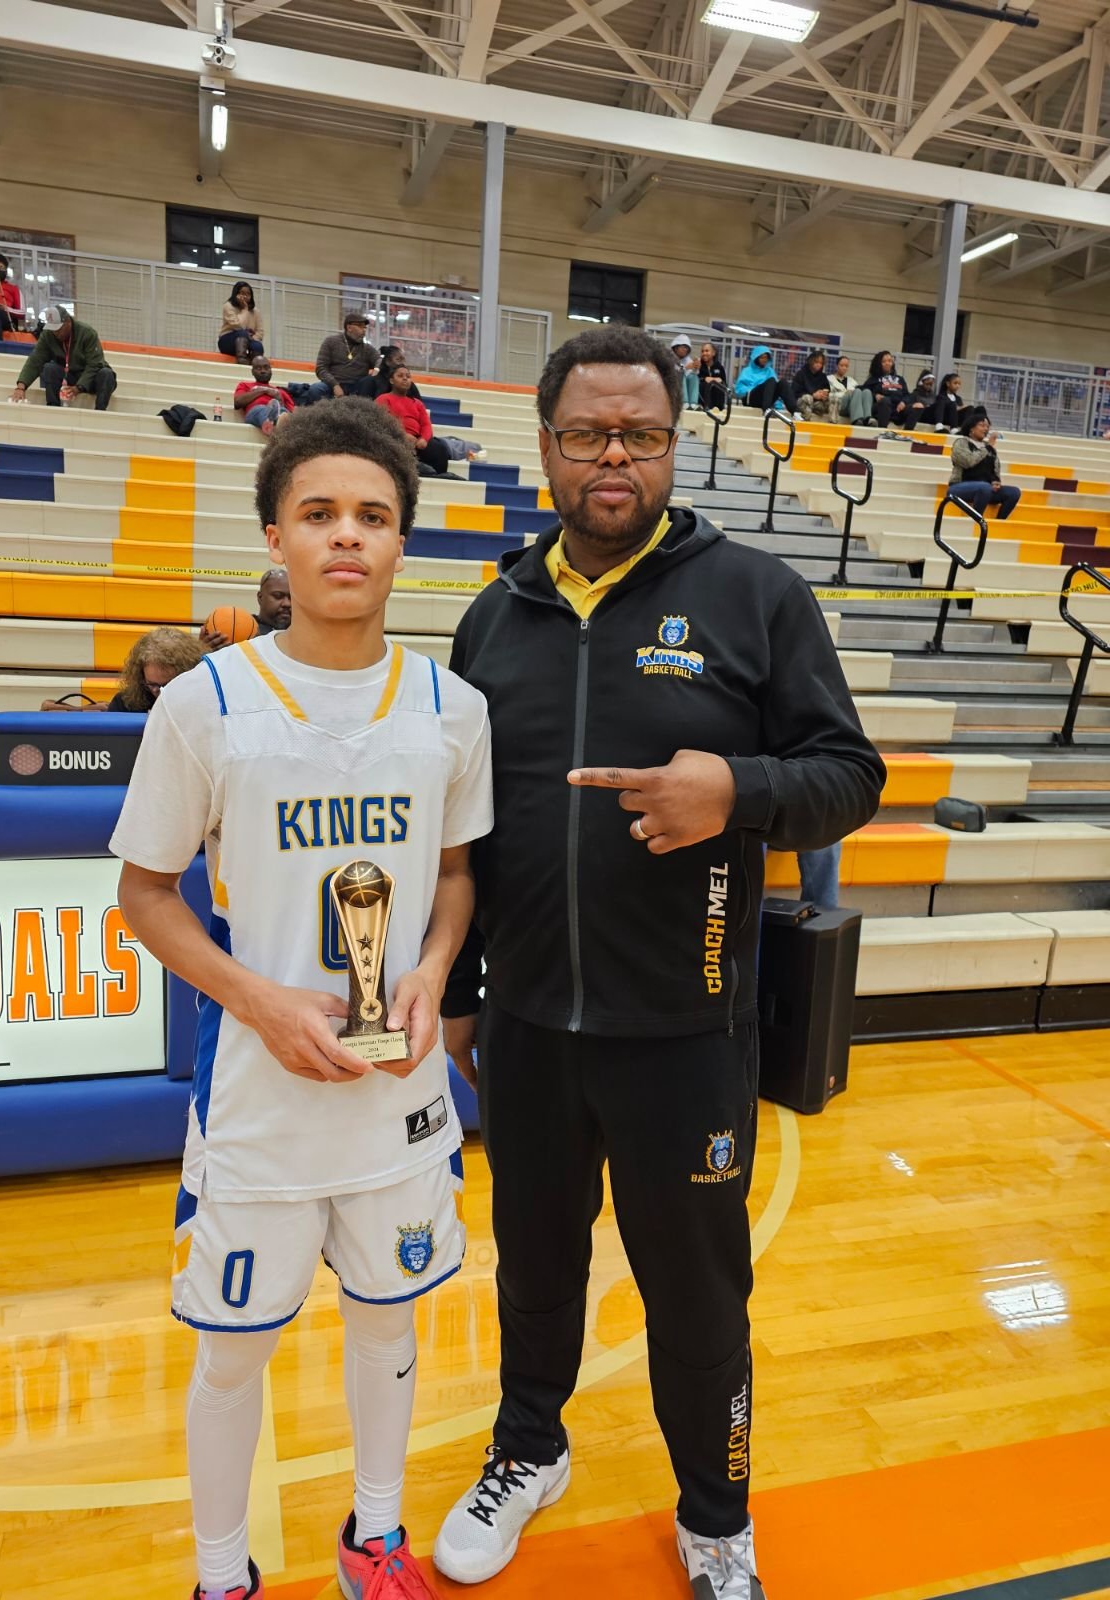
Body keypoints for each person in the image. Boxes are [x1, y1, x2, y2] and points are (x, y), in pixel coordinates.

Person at [432, 326, 885, 1599]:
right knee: (533, 1267)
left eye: (639, 433)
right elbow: (469, 834)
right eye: (588, 435)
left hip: (687, 1035)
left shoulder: (756, 596)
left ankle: (716, 1515)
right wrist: (466, 995)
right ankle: (530, 1448)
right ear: (547, 450)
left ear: (675, 445)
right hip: (526, 1027)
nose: (613, 457)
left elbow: (850, 774)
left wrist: (733, 789)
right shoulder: (494, 615)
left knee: (698, 1298)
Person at [111, 398, 493, 1600]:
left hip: (398, 1095)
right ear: (274, 535)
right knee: (232, 1350)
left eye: (373, 517)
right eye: (319, 513)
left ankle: (373, 1540)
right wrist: (260, 1001)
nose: (347, 537)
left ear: (401, 542)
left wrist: (430, 974)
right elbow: (147, 894)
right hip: (264, 1099)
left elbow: (454, 877)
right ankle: (221, 1574)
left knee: (391, 1326)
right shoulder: (206, 702)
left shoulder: (452, 707)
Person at [39, 626, 203, 712]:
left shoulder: (203, 700)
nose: (159, 692)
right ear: (141, 677)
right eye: (152, 685)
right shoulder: (125, 703)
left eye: (167, 685)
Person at [10, 305, 118, 410]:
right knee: (49, 368)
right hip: (70, 375)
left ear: (68, 322)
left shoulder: (87, 333)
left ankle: (100, 411)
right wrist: (21, 387)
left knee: (106, 374)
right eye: (53, 329)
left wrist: (79, 387)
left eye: (59, 329)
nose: (56, 333)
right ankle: (53, 407)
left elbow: (94, 364)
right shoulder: (48, 334)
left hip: (91, 377)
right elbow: (35, 360)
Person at [376, 364, 452, 476]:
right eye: (400, 376)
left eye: (408, 376)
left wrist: (424, 439)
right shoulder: (383, 399)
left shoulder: (417, 403)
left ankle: (438, 477)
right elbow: (382, 422)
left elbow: (426, 425)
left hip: (417, 442)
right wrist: (402, 435)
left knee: (439, 448)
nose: (405, 378)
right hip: (395, 438)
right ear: (391, 380)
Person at [949, 411, 1021, 520]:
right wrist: (988, 447)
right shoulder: (961, 443)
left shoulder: (989, 448)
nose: (985, 429)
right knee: (984, 487)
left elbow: (994, 470)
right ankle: (976, 520)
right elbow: (969, 461)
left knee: (1014, 492)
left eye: (987, 426)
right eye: (982, 425)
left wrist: (996, 481)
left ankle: (999, 522)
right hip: (960, 487)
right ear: (971, 428)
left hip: (985, 489)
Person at [199, 569, 292, 652]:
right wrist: (201, 652)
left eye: (292, 597)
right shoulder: (237, 627)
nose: (287, 603)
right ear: (260, 597)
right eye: (278, 596)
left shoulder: (302, 635)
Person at [301, 313, 381, 403]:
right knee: (316, 389)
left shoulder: (367, 348)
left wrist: (377, 370)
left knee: (369, 381)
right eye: (360, 326)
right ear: (349, 328)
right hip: (332, 384)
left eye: (364, 327)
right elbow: (321, 368)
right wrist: (335, 385)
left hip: (357, 387)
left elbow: (379, 360)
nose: (364, 330)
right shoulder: (331, 342)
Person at [234, 355, 294, 434]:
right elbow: (237, 402)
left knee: (283, 412)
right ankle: (271, 424)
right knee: (262, 409)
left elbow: (292, 411)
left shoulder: (280, 391)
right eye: (258, 368)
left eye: (266, 368)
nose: (263, 371)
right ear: (252, 371)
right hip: (255, 412)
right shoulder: (244, 385)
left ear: (270, 370)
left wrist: (279, 399)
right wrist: (263, 391)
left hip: (279, 411)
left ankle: (276, 425)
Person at [734, 344, 797, 414]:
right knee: (771, 381)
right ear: (756, 358)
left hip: (766, 400)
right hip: (751, 398)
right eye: (762, 357)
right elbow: (738, 390)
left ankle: (794, 412)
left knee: (783, 382)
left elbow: (775, 388)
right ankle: (766, 410)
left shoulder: (770, 371)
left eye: (766, 358)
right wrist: (754, 389)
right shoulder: (747, 371)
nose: (764, 360)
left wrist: (778, 405)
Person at [218, 282, 264, 363]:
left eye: (248, 294)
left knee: (258, 346)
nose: (245, 296)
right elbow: (239, 326)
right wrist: (245, 309)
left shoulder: (255, 311)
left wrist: (250, 338)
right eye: (242, 293)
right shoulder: (228, 306)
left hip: (248, 340)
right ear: (236, 294)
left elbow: (260, 332)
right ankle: (241, 360)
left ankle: (256, 366)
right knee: (242, 333)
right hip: (227, 341)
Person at [863, 351, 910, 431]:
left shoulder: (900, 379)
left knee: (915, 407)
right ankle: (882, 430)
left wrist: (903, 402)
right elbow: (865, 391)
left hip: (898, 409)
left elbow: (907, 395)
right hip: (881, 407)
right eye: (884, 361)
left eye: (889, 361)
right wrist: (875, 395)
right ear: (878, 364)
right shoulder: (874, 379)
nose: (887, 363)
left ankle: (909, 432)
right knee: (885, 400)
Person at [827, 355, 875, 425]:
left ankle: (867, 418)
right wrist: (846, 394)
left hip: (851, 407)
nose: (844, 368)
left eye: (846, 366)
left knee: (866, 392)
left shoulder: (852, 381)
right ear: (836, 366)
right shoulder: (829, 379)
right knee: (856, 391)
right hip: (839, 405)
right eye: (842, 365)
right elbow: (829, 395)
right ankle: (857, 419)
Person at [791, 348, 832, 420]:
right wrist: (813, 395)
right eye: (816, 362)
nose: (819, 365)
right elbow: (794, 392)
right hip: (802, 402)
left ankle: (833, 423)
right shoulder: (801, 374)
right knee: (807, 398)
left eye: (821, 363)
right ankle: (805, 421)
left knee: (834, 398)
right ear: (811, 361)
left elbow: (827, 390)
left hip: (817, 404)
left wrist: (823, 395)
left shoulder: (823, 376)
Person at [670, 335, 699, 409]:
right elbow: (671, 373)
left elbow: (691, 375)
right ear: (676, 348)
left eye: (687, 348)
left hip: (682, 387)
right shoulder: (669, 357)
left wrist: (695, 368)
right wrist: (685, 368)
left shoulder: (688, 360)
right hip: (671, 387)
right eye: (683, 347)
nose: (685, 350)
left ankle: (693, 403)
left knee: (693, 377)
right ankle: (684, 402)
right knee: (681, 375)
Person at [697, 342, 727, 412]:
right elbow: (697, 378)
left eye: (707, 351)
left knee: (719, 385)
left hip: (716, 400)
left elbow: (724, 382)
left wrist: (715, 380)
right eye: (702, 351)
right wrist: (705, 379)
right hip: (702, 399)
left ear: (713, 353)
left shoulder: (719, 367)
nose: (704, 353)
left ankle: (719, 408)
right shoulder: (699, 365)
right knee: (707, 384)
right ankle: (706, 407)